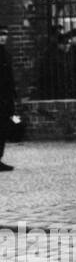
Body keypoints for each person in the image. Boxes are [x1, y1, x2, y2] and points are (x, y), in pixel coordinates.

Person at [0, 26, 15, 172]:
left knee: (2, 129)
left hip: (5, 97)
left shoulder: (6, 54)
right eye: (0, 35)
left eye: (5, 35)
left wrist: (11, 96)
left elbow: (9, 78)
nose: (3, 37)